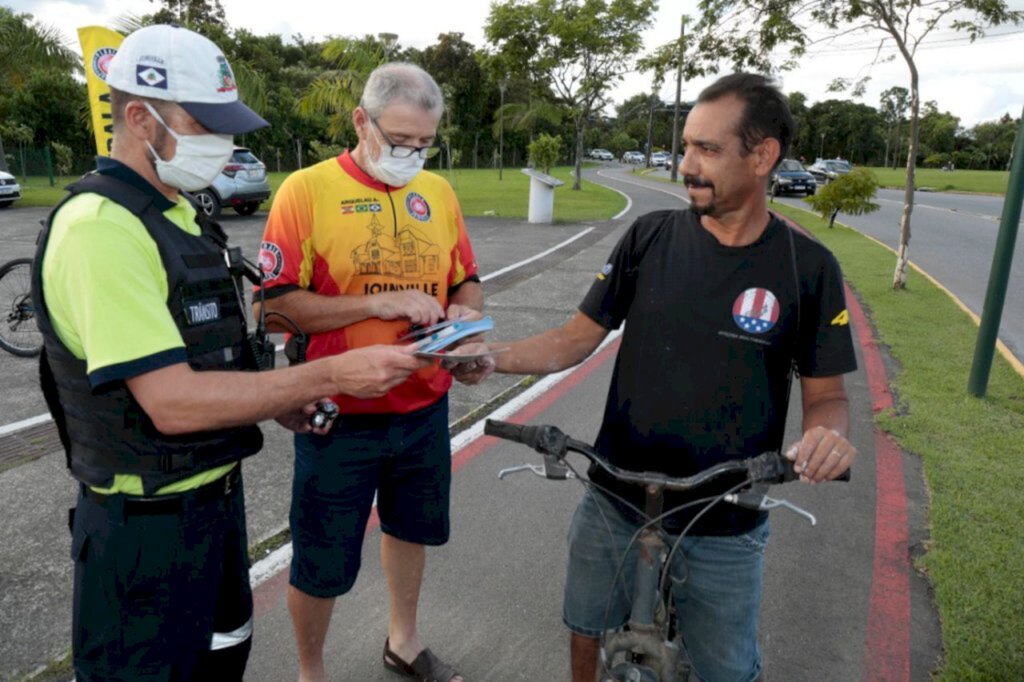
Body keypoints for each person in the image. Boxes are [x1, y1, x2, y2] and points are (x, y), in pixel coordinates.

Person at [32, 25, 424, 681]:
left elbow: (216, 362)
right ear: (139, 116)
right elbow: (174, 402)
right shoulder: (103, 229)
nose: (223, 143)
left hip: (214, 509)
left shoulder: (184, 219)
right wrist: (324, 374)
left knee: (223, 660)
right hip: (144, 532)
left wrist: (285, 403)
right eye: (205, 124)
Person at [456, 73, 859, 681]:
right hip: (615, 492)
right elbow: (574, 338)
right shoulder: (649, 237)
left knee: (728, 670)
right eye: (685, 146)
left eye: (707, 149)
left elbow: (827, 395)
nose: (686, 165)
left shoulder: (808, 267)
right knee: (585, 626)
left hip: (724, 513)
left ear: (763, 155)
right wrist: (491, 356)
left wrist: (827, 437)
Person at [256, 62, 482, 682]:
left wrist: (464, 331)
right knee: (321, 559)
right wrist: (373, 304)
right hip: (338, 416)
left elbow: (466, 278)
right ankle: (311, 673)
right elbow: (272, 309)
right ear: (361, 121)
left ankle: (402, 643)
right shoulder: (305, 190)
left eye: (424, 143)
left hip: (423, 407)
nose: (411, 154)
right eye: (398, 139)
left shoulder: (437, 193)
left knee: (412, 531)